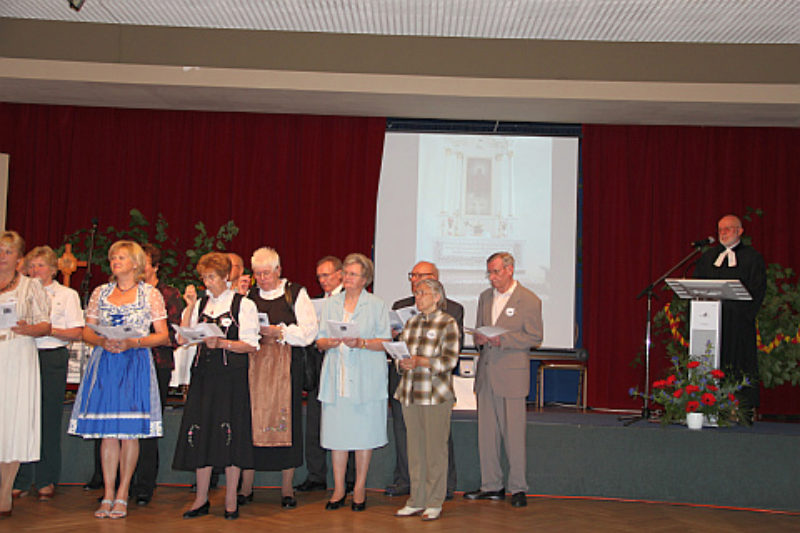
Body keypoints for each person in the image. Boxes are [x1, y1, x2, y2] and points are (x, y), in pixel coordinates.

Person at [68, 240, 168, 519]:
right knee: (108, 433)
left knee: (129, 432)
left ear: (135, 263)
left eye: (122, 257)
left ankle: (124, 492)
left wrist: (133, 342)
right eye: (113, 257)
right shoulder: (101, 292)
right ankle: (108, 493)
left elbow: (162, 335)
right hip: (106, 364)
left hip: (134, 363)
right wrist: (101, 340)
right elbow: (86, 332)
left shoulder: (150, 294)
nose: (115, 262)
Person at [172, 252, 259, 520]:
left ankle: (231, 499)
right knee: (201, 433)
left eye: (211, 277)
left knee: (229, 435)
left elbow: (251, 344)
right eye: (204, 277)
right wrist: (189, 316)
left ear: (225, 277)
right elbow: (182, 338)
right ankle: (201, 498)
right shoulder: (200, 304)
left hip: (231, 378)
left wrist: (221, 343)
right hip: (204, 377)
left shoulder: (243, 305)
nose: (207, 282)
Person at [237, 247, 318, 508]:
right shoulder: (248, 296)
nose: (261, 279)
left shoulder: (295, 293)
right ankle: (246, 486)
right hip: (254, 368)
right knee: (250, 422)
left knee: (287, 423)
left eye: (266, 274)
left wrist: (280, 332)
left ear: (278, 271)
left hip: (285, 369)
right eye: (257, 274)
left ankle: (287, 489)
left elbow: (309, 332)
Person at [464, 252, 542, 508]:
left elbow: (535, 337)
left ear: (510, 270)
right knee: (487, 435)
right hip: (487, 374)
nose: (492, 277)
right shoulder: (485, 297)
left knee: (514, 435)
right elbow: (479, 329)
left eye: (496, 272)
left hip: (512, 375)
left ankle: (518, 488)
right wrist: (478, 338)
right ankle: (491, 485)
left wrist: (503, 340)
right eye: (489, 272)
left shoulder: (528, 299)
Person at [316, 253, 391, 511]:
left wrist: (362, 343)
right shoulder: (331, 304)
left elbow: (386, 342)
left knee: (363, 435)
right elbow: (319, 340)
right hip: (337, 378)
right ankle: (338, 489)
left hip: (365, 378)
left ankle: (359, 488)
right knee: (337, 437)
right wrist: (330, 341)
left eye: (353, 274)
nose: (347, 278)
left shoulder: (377, 304)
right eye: (345, 273)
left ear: (365, 279)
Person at [387, 261, 463, 499]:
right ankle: (413, 491)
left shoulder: (450, 317)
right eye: (414, 280)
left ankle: (438, 494)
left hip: (435, 391)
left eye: (423, 289)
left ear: (437, 292)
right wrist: (401, 356)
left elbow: (449, 359)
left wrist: (422, 361)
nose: (417, 291)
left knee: (436, 445)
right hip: (409, 389)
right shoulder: (407, 317)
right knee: (412, 444)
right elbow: (401, 351)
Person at [13, 246, 84, 502]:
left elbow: (77, 332)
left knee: (48, 420)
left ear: (53, 269)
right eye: (32, 266)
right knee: (22, 420)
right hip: (22, 356)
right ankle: (19, 478)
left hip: (51, 357)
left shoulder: (67, 295)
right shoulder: (19, 293)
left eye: (40, 265)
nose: (35, 270)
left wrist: (45, 330)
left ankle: (46, 479)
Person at [694, 214, 766, 417]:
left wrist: (743, 312)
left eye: (728, 229)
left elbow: (758, 289)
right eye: (720, 230)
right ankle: (707, 405)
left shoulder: (752, 258)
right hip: (711, 323)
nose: (723, 233)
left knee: (740, 363)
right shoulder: (708, 258)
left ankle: (741, 408)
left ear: (740, 231)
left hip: (739, 323)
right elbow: (698, 285)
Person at [129, 244, 185, 505]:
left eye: (144, 263)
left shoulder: (168, 294)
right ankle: (122, 484)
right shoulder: (128, 292)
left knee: (148, 428)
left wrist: (145, 337)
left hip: (156, 364)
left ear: (155, 266)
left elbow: (175, 336)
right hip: (127, 364)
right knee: (125, 426)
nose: (139, 268)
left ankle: (144, 486)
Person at [0, 231, 51, 518]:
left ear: (19, 260)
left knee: (13, 422)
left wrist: (27, 328)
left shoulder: (31, 286)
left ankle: (5, 490)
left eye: (7, 252)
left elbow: (45, 325)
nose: (2, 257)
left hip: (17, 355)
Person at [295, 256, 356, 494]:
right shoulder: (315, 303)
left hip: (343, 366)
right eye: (319, 276)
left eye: (327, 275)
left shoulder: (350, 299)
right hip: (318, 366)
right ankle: (316, 475)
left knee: (344, 422)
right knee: (314, 424)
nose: (323, 281)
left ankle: (349, 479)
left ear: (340, 274)